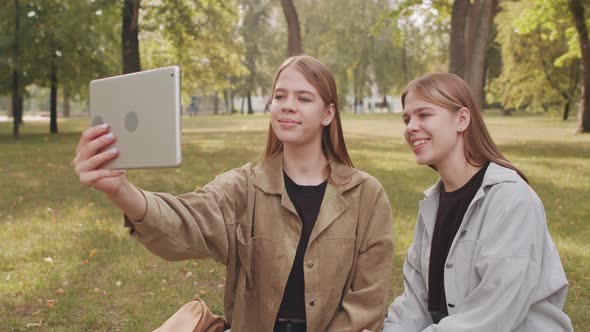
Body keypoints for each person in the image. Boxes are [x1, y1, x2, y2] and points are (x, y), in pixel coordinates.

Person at [73, 55, 394, 332]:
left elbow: (367, 303)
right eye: (280, 96)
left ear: (328, 114)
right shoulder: (244, 187)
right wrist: (119, 189)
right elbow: (185, 220)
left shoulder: (367, 195)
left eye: (304, 98)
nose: (287, 106)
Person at [381, 73, 573, 332]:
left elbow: (492, 315)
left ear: (461, 119)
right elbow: (415, 301)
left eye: (423, 115)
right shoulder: (432, 205)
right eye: (407, 119)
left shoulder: (511, 200)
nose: (410, 127)